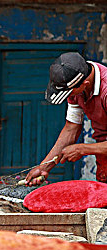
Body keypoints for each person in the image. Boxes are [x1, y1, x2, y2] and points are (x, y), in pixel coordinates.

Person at [25, 52, 107, 185]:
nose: (69, 96)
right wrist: (44, 167)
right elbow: (71, 128)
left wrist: (82, 149)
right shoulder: (75, 86)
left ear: (84, 84)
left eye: (69, 93)